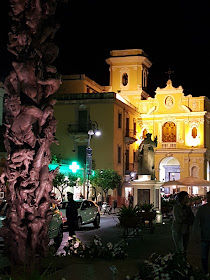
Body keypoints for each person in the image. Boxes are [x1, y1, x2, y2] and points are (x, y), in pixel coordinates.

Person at [171, 191, 195, 256]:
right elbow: (178, 220)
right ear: (182, 198)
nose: (187, 199)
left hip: (186, 230)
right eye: (186, 197)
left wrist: (185, 219)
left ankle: (183, 262)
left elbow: (192, 218)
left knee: (184, 249)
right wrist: (186, 219)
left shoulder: (188, 208)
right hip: (178, 230)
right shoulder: (176, 208)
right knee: (180, 249)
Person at [193, 191, 210, 273]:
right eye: (208, 197)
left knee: (204, 256)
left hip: (205, 235)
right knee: (204, 256)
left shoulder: (202, 209)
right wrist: (196, 234)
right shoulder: (202, 209)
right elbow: (196, 222)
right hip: (204, 235)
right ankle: (205, 271)